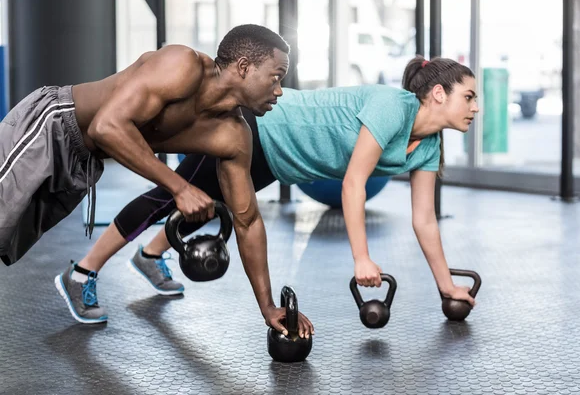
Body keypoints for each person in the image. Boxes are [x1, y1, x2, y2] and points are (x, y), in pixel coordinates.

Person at [67, 55, 478, 335]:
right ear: (438, 93)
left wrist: (446, 287)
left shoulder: (428, 145)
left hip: (280, 161)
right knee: (171, 196)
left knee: (215, 204)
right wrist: (361, 257)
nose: (475, 107)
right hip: (263, 125)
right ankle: (82, 272)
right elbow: (354, 182)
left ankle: (151, 255)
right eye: (469, 96)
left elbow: (424, 218)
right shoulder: (394, 106)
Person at [0, 23, 315, 334]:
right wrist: (180, 187)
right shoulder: (182, 65)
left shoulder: (234, 136)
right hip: (51, 124)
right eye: (276, 77)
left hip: (84, 161)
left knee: (7, 239)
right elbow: (106, 127)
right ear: (244, 67)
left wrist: (268, 307)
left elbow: (247, 222)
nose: (279, 91)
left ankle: (77, 277)